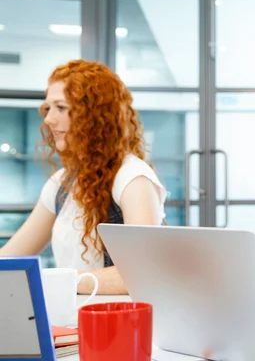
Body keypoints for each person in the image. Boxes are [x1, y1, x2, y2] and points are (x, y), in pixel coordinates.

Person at [0, 60, 167, 295]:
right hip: (70, 322)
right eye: (48, 108)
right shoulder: (60, 183)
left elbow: (142, 272)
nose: (48, 119)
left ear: (94, 114)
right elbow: (9, 260)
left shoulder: (133, 178)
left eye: (61, 107)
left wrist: (61, 281)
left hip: (115, 326)